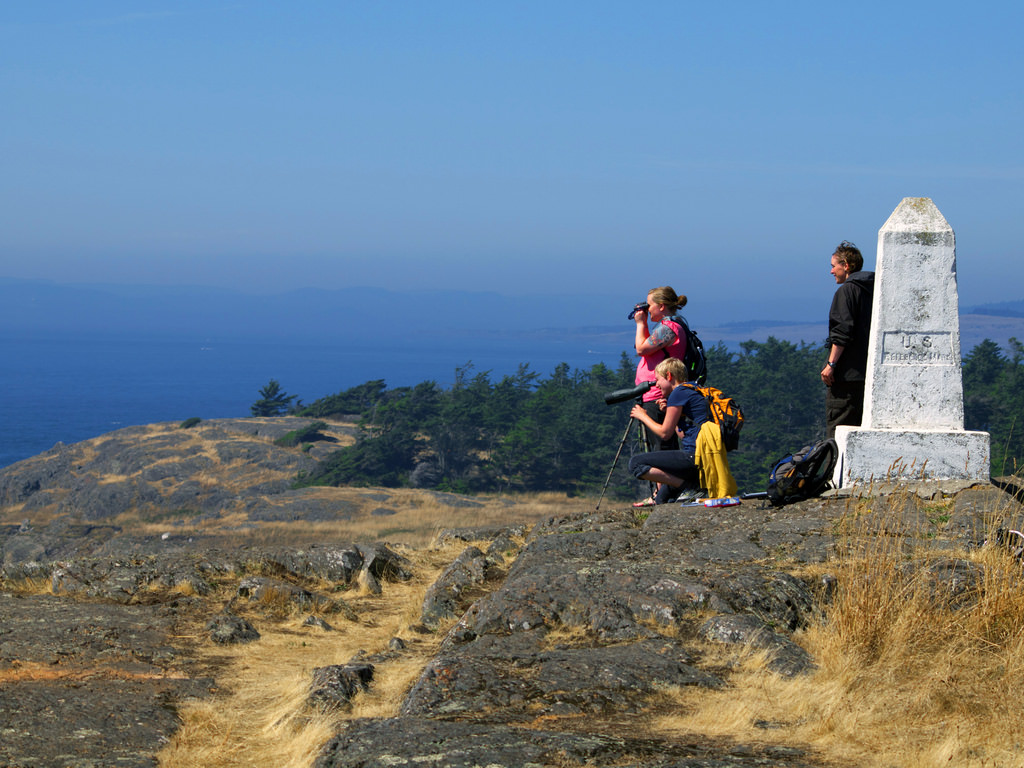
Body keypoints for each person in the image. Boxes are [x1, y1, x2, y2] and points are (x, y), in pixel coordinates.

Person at [628, 357, 710, 505]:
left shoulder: (678, 393)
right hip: (704, 458)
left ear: (669, 376)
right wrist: (670, 413)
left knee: (635, 464)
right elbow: (682, 434)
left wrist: (643, 416)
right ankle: (688, 486)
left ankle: (689, 487)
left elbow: (665, 434)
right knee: (662, 499)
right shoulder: (693, 389)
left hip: (693, 457)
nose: (656, 385)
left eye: (658, 379)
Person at [820, 240, 875, 439]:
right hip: (868, 373)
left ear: (846, 265)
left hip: (846, 374)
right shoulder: (874, 290)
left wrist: (831, 364)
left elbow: (842, 331)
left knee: (838, 430)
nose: (832, 272)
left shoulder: (847, 291)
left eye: (834, 266)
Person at [632, 286, 687, 451]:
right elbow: (646, 344)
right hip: (653, 393)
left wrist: (641, 323)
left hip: (657, 395)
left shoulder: (669, 328)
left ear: (661, 306)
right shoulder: (668, 326)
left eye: (650, 305)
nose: (647, 309)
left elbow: (641, 349)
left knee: (661, 450)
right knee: (657, 448)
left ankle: (664, 477)